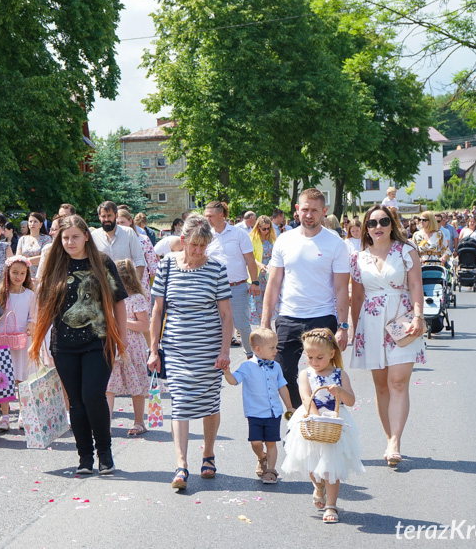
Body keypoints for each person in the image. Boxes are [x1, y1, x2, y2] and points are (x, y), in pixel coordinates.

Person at [30, 215, 128, 475]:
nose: (70, 242)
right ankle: (84, 457)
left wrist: (123, 339)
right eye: (65, 237)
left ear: (86, 236)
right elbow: (44, 307)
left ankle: (104, 454)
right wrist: (38, 343)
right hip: (63, 345)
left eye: (75, 236)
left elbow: (119, 300)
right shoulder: (55, 266)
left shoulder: (102, 263)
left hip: (99, 341)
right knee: (75, 402)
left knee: (93, 396)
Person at [147, 214, 232, 489]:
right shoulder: (167, 266)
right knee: (180, 403)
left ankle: (208, 453)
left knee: (210, 403)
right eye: (194, 245)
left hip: (208, 349)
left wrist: (224, 352)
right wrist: (153, 350)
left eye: (203, 246)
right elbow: (157, 311)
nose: (198, 251)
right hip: (177, 347)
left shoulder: (217, 268)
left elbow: (226, 315)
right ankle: (181, 465)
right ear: (183, 241)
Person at [349, 205, 425, 467]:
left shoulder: (406, 251)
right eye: (372, 223)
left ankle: (395, 442)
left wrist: (418, 316)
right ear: (365, 228)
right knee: (381, 386)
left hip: (402, 320)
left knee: (398, 382)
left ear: (392, 224)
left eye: (383, 221)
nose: (378, 226)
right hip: (370, 324)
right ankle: (390, 437)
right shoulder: (358, 258)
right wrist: (354, 328)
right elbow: (357, 296)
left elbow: (416, 285)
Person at [260, 188, 350, 410]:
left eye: (314, 210)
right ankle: (301, 417)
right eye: (305, 209)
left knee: (324, 377)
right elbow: (273, 284)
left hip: (322, 318)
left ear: (323, 212)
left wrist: (343, 327)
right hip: (289, 316)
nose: (309, 215)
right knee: (283, 375)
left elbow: (341, 288)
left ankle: (324, 420)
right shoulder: (284, 240)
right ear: (297, 210)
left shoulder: (335, 243)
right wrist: (264, 324)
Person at [281, 329, 364, 524]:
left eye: (319, 357)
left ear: (332, 354)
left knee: (331, 464)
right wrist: (317, 419)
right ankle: (318, 486)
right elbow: (305, 396)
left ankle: (331, 505)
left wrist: (340, 391)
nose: (314, 361)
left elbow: (350, 401)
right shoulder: (305, 374)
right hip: (311, 417)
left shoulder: (339, 374)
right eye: (310, 357)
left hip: (335, 420)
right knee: (311, 459)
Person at [223, 328, 294, 485]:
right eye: (272, 348)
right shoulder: (247, 366)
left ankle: (271, 470)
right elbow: (234, 381)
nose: (276, 350)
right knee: (255, 442)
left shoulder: (276, 366)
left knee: (271, 442)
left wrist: (289, 407)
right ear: (257, 349)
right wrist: (227, 373)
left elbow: (282, 386)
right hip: (255, 412)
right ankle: (262, 457)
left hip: (273, 412)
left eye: (276, 347)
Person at [204, 201, 260, 360]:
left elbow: (250, 260)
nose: (207, 219)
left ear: (221, 215)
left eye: (210, 216)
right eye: (206, 215)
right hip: (213, 288)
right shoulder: (206, 235)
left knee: (242, 325)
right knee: (215, 326)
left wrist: (254, 282)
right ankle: (217, 358)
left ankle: (252, 357)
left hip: (237, 287)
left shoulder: (238, 234)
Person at [106, 259, 151, 437]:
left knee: (136, 384)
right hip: (112, 345)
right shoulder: (109, 298)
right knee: (108, 385)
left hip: (132, 346)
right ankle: (105, 423)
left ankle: (139, 421)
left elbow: (144, 325)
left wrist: (121, 321)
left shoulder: (136, 299)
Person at [0, 255, 37, 432]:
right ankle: (4, 416)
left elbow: (33, 316)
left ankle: (22, 414)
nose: (18, 277)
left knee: (21, 377)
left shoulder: (30, 295)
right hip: (3, 339)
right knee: (3, 378)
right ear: (8, 273)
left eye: (22, 273)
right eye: (15, 273)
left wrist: (30, 324)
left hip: (22, 340)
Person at [90, 201, 145, 279]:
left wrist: (135, 284)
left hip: (126, 284)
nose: (106, 219)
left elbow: (140, 260)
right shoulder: (94, 236)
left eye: (109, 216)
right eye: (103, 216)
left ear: (116, 215)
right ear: (99, 216)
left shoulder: (128, 233)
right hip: (104, 284)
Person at [116, 209, 158, 297]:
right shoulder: (113, 242)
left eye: (122, 222)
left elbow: (153, 265)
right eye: (117, 223)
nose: (120, 226)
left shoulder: (144, 240)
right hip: (120, 287)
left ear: (130, 221)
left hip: (140, 287)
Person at [249, 215, 275, 327]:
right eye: (264, 228)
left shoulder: (272, 238)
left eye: (268, 228)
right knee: (258, 301)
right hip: (258, 273)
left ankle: (268, 323)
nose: (266, 231)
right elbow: (249, 256)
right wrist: (259, 264)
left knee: (270, 300)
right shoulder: (252, 238)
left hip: (270, 273)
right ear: (258, 227)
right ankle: (260, 325)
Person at [16, 211, 52, 277]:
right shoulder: (22, 239)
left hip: (40, 275)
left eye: (35, 221)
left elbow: (45, 257)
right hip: (24, 275)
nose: (32, 224)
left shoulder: (46, 239)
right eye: (30, 221)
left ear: (41, 224)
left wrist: (26, 260)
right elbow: (18, 257)